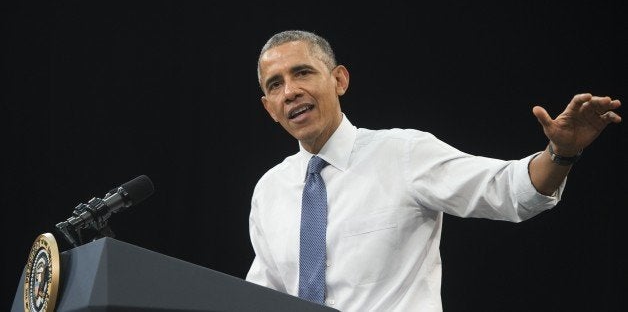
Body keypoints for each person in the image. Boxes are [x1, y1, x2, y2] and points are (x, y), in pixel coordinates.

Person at [244, 30, 622, 312]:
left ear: (339, 80)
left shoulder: (402, 153)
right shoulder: (269, 190)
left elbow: (507, 191)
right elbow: (260, 294)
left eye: (302, 73)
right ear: (268, 107)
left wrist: (560, 152)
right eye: (275, 85)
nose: (289, 91)